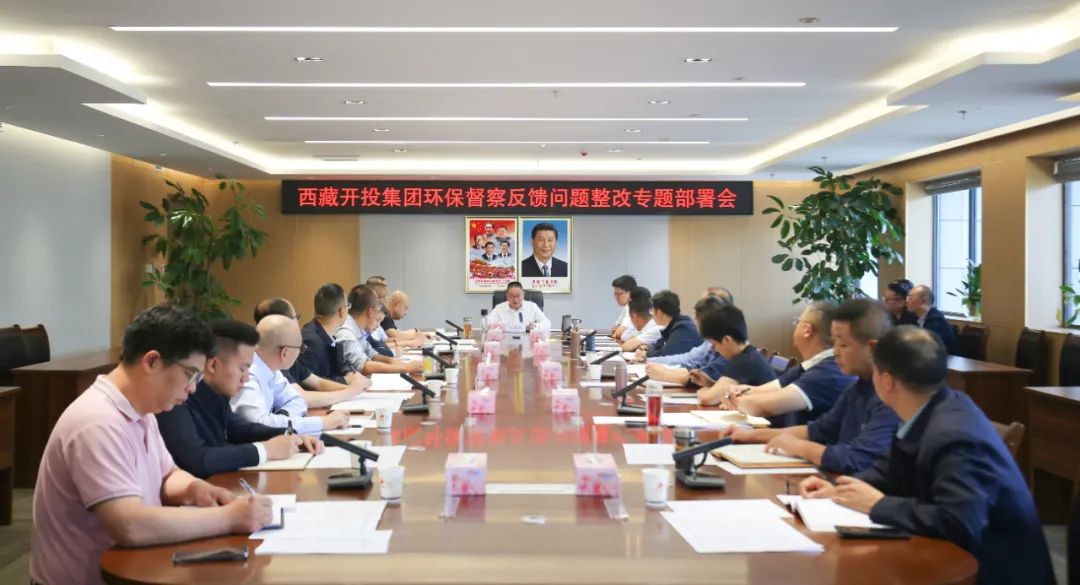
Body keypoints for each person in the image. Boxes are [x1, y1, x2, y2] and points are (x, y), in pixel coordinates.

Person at [30, 305, 274, 585]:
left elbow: (167, 475)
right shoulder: (98, 421)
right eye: (190, 375)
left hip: (133, 568)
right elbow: (129, 525)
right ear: (152, 362)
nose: (193, 388)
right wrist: (228, 518)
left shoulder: (142, 410)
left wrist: (196, 489)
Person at [799, 326, 1054, 585]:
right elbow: (889, 470)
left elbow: (959, 522)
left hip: (990, 574)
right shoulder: (928, 408)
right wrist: (839, 490)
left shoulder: (955, 434)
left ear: (886, 381)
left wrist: (877, 505)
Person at [721, 299, 901, 475]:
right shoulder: (858, 388)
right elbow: (816, 431)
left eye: (843, 344)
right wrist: (749, 436)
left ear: (872, 348)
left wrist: (801, 447)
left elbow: (856, 458)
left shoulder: (891, 396)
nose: (836, 351)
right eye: (834, 342)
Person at [157, 320, 324, 479]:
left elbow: (240, 429)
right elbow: (198, 460)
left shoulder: (216, 395)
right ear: (213, 365)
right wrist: (265, 450)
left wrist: (290, 436)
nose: (246, 378)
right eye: (242, 369)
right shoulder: (177, 398)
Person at [726, 302, 855, 426]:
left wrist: (734, 398)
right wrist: (740, 391)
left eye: (797, 322)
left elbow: (763, 406)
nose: (795, 326)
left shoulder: (829, 373)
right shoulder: (809, 365)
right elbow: (764, 390)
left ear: (807, 331)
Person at [232, 315, 351, 433]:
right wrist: (323, 422)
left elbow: (297, 400)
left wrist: (283, 416)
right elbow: (260, 424)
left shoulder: (270, 368)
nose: (300, 353)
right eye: (301, 348)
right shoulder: (247, 376)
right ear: (284, 352)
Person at [253, 297, 372, 394]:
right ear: (283, 322)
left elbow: (316, 382)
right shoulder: (309, 342)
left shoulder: (283, 354)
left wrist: (356, 389)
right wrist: (349, 390)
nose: (298, 323)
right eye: (296, 317)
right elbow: (302, 396)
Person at [695, 305, 777, 403]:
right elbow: (728, 390)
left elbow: (708, 399)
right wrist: (711, 384)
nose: (714, 350)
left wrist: (701, 392)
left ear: (727, 340)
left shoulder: (744, 361)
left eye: (714, 345)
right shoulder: (749, 355)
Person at [337, 285, 424, 375]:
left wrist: (401, 364)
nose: (378, 326)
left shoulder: (359, 330)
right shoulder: (346, 333)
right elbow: (364, 367)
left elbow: (373, 355)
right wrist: (405, 368)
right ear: (371, 312)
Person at [645, 294, 731, 385]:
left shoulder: (683, 327)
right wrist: (663, 370)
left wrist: (664, 374)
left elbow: (704, 375)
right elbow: (696, 366)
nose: (694, 322)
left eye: (696, 319)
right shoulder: (711, 343)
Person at [298, 283, 362, 385]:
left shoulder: (328, 334)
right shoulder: (311, 341)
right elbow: (308, 383)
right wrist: (345, 380)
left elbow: (341, 362)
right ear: (341, 311)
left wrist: (349, 373)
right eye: (347, 306)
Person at [641, 290, 702, 358]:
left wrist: (646, 354)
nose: (651, 314)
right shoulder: (673, 324)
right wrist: (646, 348)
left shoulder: (682, 328)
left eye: (652, 310)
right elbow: (659, 344)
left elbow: (665, 355)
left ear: (659, 312)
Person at [906, 284, 957, 353]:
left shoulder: (936, 321)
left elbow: (925, 347)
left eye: (910, 298)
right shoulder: (916, 318)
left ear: (923, 301)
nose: (907, 301)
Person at [620, 286, 664, 352]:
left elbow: (625, 347)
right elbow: (624, 336)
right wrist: (638, 343)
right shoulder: (645, 322)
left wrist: (635, 341)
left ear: (634, 316)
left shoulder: (656, 327)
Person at [609, 274, 638, 340]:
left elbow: (618, 332)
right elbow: (614, 329)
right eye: (615, 294)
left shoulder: (634, 306)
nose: (616, 298)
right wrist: (618, 328)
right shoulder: (626, 306)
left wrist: (618, 329)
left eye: (619, 294)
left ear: (631, 293)